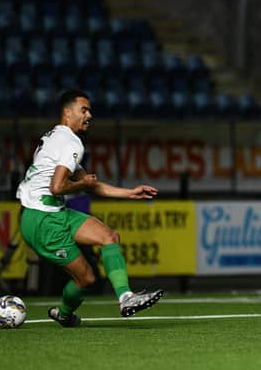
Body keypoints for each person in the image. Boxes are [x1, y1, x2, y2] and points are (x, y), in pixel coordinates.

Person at [16, 89, 164, 327]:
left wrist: (130, 192)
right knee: (85, 278)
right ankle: (65, 313)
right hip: (42, 221)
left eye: (90, 110)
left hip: (53, 212)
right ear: (67, 112)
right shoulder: (71, 142)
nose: (89, 115)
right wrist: (82, 183)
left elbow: (90, 185)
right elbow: (57, 187)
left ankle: (125, 298)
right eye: (84, 110)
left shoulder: (56, 137)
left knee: (108, 237)